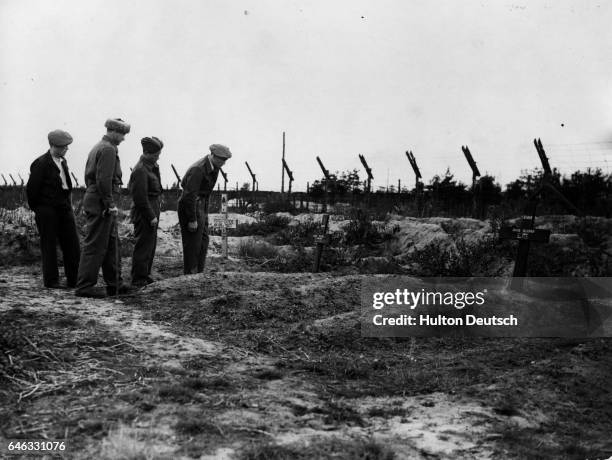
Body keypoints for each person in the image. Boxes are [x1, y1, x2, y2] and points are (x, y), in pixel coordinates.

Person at [74, 118, 130, 298]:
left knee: (111, 243)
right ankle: (84, 287)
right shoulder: (107, 149)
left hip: (97, 198)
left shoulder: (100, 146)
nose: (123, 138)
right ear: (112, 131)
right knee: (96, 244)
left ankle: (115, 284)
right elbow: (103, 180)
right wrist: (110, 203)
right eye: (122, 134)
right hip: (101, 201)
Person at [26, 129, 80, 288]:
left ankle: (74, 280)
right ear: (54, 146)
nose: (67, 149)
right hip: (47, 210)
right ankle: (52, 281)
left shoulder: (63, 161)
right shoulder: (41, 163)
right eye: (64, 146)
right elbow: (32, 190)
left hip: (64, 208)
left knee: (72, 244)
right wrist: (40, 209)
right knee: (48, 245)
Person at [178, 144, 232, 274]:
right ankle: (190, 275)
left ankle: (199, 274)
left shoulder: (214, 167)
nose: (223, 163)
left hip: (201, 205)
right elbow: (189, 195)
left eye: (225, 160)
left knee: (203, 241)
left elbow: (205, 192)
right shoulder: (199, 169)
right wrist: (192, 219)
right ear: (212, 156)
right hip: (191, 205)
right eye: (221, 159)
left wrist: (204, 211)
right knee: (192, 243)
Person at [128, 136, 163, 287]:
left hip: (152, 207)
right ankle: (138, 278)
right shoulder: (141, 169)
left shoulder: (152, 166)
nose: (158, 157)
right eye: (156, 154)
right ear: (147, 153)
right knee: (143, 245)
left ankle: (145, 274)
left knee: (150, 244)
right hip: (144, 211)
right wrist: (151, 216)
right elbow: (140, 198)